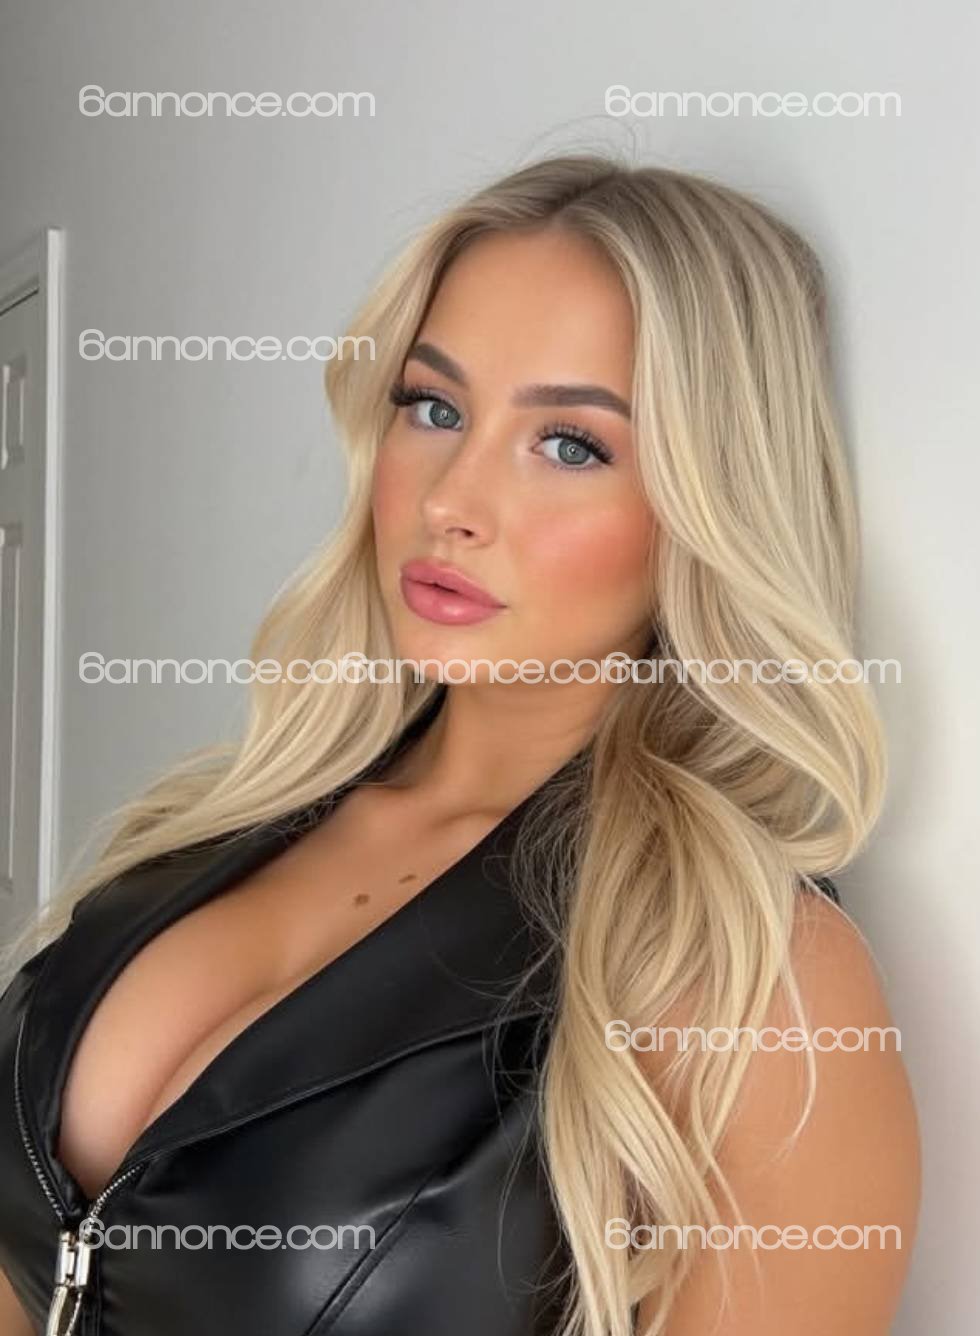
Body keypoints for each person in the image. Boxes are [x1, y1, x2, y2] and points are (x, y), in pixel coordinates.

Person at [0, 154, 920, 1335]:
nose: (450, 500)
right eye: (432, 408)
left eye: (570, 444)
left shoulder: (746, 968)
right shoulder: (204, 831)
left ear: (707, 503)